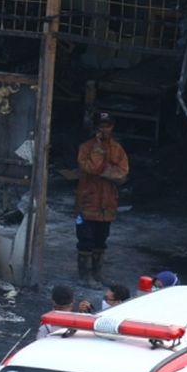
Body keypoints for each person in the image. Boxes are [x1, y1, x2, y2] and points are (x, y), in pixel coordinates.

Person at [75, 111, 129, 288]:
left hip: (107, 204)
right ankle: (85, 276)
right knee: (85, 239)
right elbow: (90, 168)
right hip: (87, 202)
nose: (104, 130)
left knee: (101, 239)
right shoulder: (86, 148)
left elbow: (122, 174)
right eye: (101, 126)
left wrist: (105, 172)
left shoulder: (117, 149)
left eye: (107, 126)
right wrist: (99, 153)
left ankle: (98, 273)